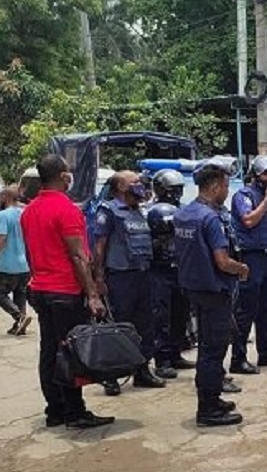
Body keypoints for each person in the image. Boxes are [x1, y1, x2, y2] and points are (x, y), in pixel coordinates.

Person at [20, 154, 114, 430]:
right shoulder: (67, 210)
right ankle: (75, 411)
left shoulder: (30, 211)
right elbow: (78, 256)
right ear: (62, 176)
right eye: (68, 172)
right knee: (71, 351)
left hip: (40, 289)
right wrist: (93, 294)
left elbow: (29, 252)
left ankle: (55, 409)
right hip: (65, 291)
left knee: (49, 350)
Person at [174, 157, 251, 427]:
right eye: (226, 186)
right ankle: (208, 409)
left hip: (194, 288)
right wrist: (242, 269)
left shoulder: (185, 213)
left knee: (208, 347)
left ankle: (213, 399)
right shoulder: (210, 218)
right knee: (212, 351)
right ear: (216, 186)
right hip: (214, 290)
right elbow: (222, 261)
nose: (227, 192)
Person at [91, 171, 167, 395]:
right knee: (117, 328)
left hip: (143, 274)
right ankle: (111, 377)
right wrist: (98, 278)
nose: (139, 185)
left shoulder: (139, 211)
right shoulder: (109, 210)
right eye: (134, 182)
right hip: (120, 277)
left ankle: (142, 371)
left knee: (145, 326)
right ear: (121, 188)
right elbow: (99, 247)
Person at [229, 155, 267, 375]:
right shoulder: (244, 195)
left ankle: (266, 352)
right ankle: (238, 358)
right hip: (250, 257)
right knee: (247, 309)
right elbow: (248, 221)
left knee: (266, 308)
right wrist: (266, 200)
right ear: (256, 175)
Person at [146, 169, 197, 379]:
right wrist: (159, 238)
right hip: (160, 269)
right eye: (171, 189)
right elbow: (146, 241)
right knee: (161, 316)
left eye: (178, 189)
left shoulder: (184, 211)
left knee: (181, 313)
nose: (175, 193)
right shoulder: (149, 211)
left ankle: (176, 353)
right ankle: (162, 359)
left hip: (181, 268)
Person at [0, 187, 31, 336]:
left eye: (0, 197)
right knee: (20, 294)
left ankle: (19, 316)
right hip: (24, 263)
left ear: (6, 197)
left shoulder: (3, 215)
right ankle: (20, 324)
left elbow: (2, 238)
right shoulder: (24, 213)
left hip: (7, 264)